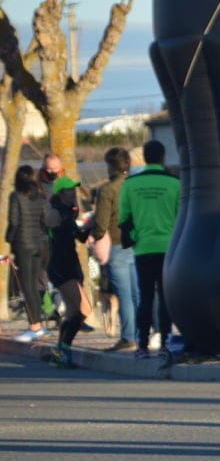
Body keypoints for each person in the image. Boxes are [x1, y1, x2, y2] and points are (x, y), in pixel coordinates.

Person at [118, 141, 181, 356]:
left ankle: (142, 344)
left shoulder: (130, 184)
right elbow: (181, 216)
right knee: (166, 298)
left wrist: (135, 236)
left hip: (143, 248)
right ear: (163, 157)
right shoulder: (174, 183)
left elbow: (123, 219)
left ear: (144, 157)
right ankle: (165, 343)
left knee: (145, 297)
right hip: (169, 249)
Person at [90, 147, 139, 352]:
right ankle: (143, 334)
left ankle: (128, 337)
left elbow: (101, 223)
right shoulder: (136, 185)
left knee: (124, 295)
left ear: (110, 165)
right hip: (139, 243)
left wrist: (95, 236)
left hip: (118, 244)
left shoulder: (107, 189)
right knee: (138, 293)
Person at [43, 177, 94, 366]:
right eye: (69, 190)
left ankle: (61, 354)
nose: (73, 192)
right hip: (60, 266)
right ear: (60, 193)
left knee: (73, 313)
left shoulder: (71, 211)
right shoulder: (55, 213)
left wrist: (90, 226)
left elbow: (80, 238)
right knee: (84, 310)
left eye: (74, 189)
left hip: (71, 264)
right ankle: (63, 351)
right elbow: (53, 235)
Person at [7, 164, 50, 341]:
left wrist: (9, 238)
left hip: (23, 244)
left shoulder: (16, 196)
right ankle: (39, 323)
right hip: (40, 243)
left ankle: (34, 326)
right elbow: (45, 219)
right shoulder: (40, 196)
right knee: (35, 285)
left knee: (27, 286)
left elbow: (14, 222)